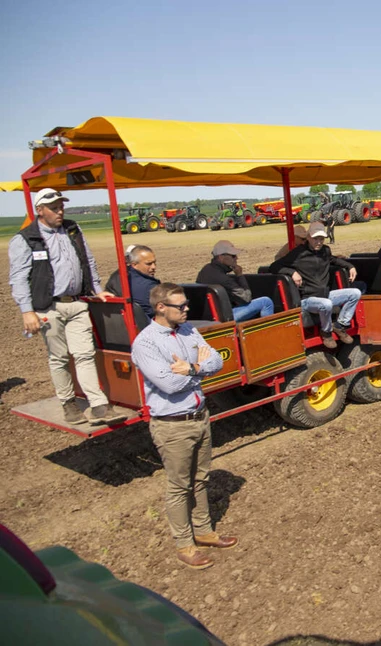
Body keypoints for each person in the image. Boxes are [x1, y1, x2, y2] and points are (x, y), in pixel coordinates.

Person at [130, 282, 234, 570]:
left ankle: (204, 532)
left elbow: (216, 360)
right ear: (161, 308)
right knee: (179, 486)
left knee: (200, 479)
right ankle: (184, 545)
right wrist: (198, 371)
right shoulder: (146, 343)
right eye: (181, 306)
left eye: (186, 304)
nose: (188, 309)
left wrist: (192, 368)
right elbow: (168, 383)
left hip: (200, 416)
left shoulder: (189, 330)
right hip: (172, 425)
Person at [8, 188, 125, 426]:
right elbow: (18, 278)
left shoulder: (73, 229)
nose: (60, 211)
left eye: (61, 206)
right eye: (54, 207)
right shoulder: (24, 239)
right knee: (59, 357)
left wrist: (95, 288)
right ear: (39, 211)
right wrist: (27, 311)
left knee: (84, 355)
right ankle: (68, 404)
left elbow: (87, 261)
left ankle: (98, 404)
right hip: (48, 307)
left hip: (77, 303)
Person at [269, 221, 359, 350]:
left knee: (355, 293)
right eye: (315, 238)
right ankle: (326, 332)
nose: (319, 242)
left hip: (325, 295)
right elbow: (274, 266)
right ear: (309, 238)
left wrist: (350, 266)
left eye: (321, 238)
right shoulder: (298, 253)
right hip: (308, 299)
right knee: (326, 304)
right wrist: (292, 272)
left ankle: (340, 325)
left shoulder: (325, 251)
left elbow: (333, 260)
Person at [197, 241, 274, 322]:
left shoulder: (205, 269)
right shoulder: (223, 278)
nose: (236, 258)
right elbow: (246, 298)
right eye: (233, 256)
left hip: (209, 316)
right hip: (225, 318)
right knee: (266, 302)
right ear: (221, 257)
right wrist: (239, 275)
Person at [104, 245, 160, 317]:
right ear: (134, 265)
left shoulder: (117, 276)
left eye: (154, 263)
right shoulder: (148, 286)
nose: (153, 267)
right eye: (148, 264)